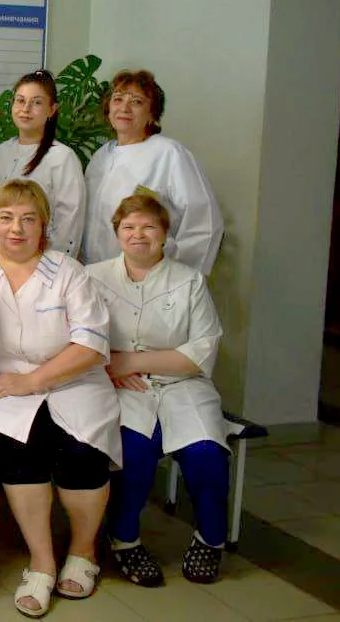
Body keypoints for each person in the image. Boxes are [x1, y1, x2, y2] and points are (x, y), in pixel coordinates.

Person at [0, 180, 119, 618]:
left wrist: (34, 380)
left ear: (44, 225)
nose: (16, 228)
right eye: (6, 218)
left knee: (82, 451)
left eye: (28, 219)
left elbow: (91, 344)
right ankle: (41, 562)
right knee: (19, 448)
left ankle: (82, 551)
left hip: (73, 381)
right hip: (4, 384)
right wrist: (17, 383)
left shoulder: (68, 272)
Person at [87, 194, 230, 587]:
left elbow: (201, 352)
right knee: (132, 452)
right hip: (121, 387)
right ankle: (125, 539)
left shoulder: (189, 281)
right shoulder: (93, 277)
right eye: (129, 227)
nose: (139, 235)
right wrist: (109, 367)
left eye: (149, 227)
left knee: (206, 454)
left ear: (165, 234)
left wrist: (128, 361)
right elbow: (79, 340)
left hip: (183, 385)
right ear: (116, 233)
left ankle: (210, 539)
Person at [82, 69, 223, 274]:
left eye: (137, 102)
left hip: (150, 276)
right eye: (118, 99)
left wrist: (176, 274)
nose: (124, 108)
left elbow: (205, 223)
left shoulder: (169, 154)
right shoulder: (100, 157)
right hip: (97, 273)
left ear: (152, 114)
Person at [0, 71, 86, 257]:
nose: (25, 109)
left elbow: (69, 222)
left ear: (52, 110)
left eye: (36, 103)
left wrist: (50, 264)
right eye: (20, 101)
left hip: (45, 259)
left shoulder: (62, 157)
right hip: (1, 257)